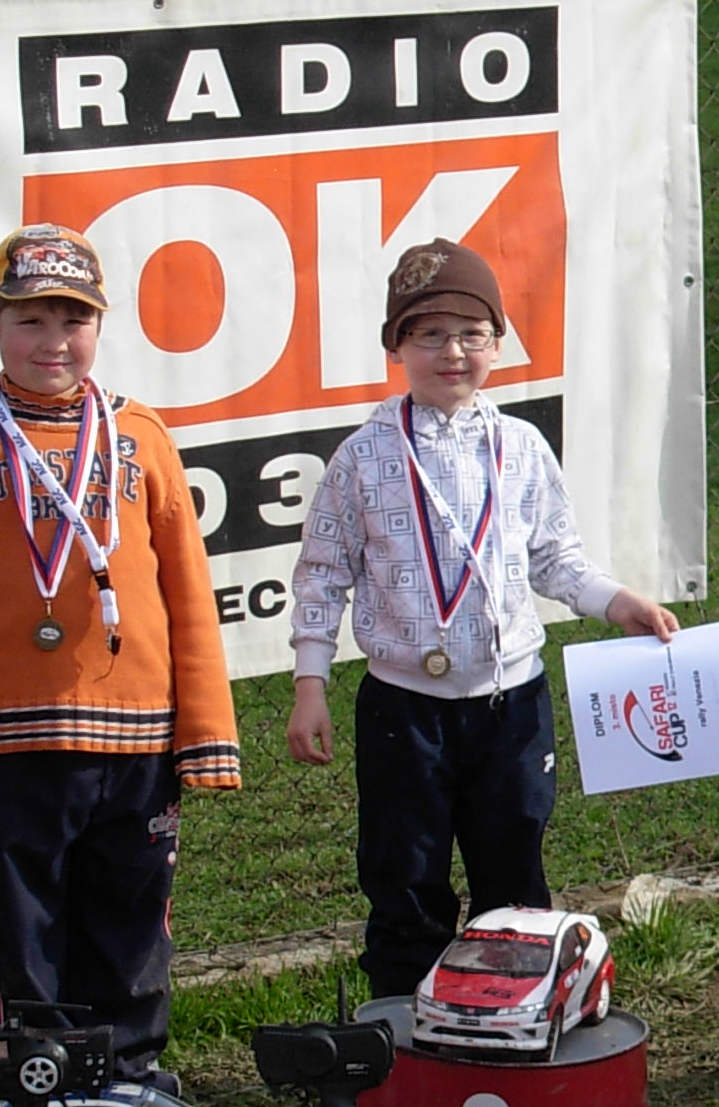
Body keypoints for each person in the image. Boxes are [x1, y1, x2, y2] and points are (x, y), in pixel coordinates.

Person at [0, 225, 240, 1089]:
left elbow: (187, 595)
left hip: (137, 739)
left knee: (131, 920)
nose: (54, 343)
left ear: (101, 325)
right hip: (12, 744)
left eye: (73, 321)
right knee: (24, 927)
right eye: (30, 321)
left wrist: (206, 731)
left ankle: (129, 1080)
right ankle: (24, 1083)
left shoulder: (145, 438)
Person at [287, 237, 680, 999]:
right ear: (396, 346)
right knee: (404, 875)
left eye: (471, 334)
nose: (452, 353)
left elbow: (556, 559)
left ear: (499, 343)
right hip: (404, 710)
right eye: (428, 334)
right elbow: (323, 573)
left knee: (515, 874)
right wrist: (310, 682)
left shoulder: (521, 447)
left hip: (511, 708)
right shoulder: (362, 458)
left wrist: (615, 600)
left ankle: (517, 1016)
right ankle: (404, 1025)